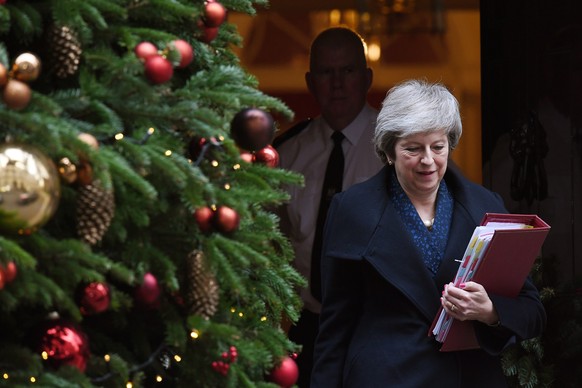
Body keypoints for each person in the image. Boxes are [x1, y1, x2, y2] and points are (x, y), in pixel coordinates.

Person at [310, 79, 547, 387]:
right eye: (412, 148)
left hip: (471, 377)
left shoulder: (485, 205)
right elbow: (335, 328)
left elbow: (532, 312)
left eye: (438, 147)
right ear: (389, 151)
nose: (428, 160)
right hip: (387, 378)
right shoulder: (353, 209)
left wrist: (489, 310)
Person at [274, 27, 384, 387]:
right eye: (326, 72)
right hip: (310, 328)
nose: (337, 84)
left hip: (377, 325)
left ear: (367, 78)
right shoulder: (286, 153)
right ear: (310, 81)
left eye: (348, 71)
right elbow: (273, 247)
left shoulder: (401, 149)